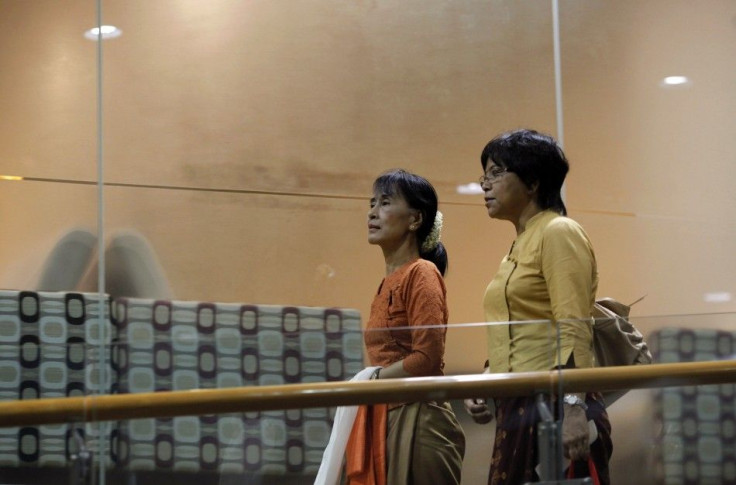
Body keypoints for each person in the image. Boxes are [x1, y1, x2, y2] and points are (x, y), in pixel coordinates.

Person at [464, 129, 613, 484]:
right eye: (484, 174)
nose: (485, 184)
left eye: (497, 172)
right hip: (520, 402)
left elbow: (573, 324)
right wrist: (486, 381)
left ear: (532, 182)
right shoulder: (521, 242)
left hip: (556, 402)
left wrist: (575, 410)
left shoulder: (558, 231)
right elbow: (521, 329)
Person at [346, 169, 465, 484]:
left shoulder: (421, 273)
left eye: (385, 203)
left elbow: (425, 359)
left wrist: (370, 380)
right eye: (372, 203)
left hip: (419, 419)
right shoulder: (387, 282)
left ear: (415, 220)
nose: (373, 212)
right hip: (390, 414)